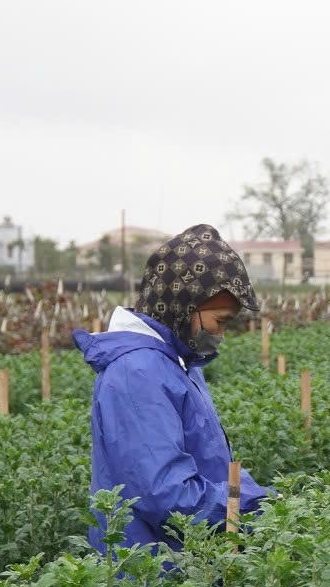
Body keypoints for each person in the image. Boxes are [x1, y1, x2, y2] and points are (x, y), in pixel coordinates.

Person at [73, 224, 271, 553]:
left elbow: (205, 463)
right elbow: (167, 495)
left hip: (191, 557)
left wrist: (252, 498)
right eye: (220, 320)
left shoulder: (176, 362)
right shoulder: (137, 372)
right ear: (185, 306)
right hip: (153, 570)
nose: (221, 334)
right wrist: (253, 505)